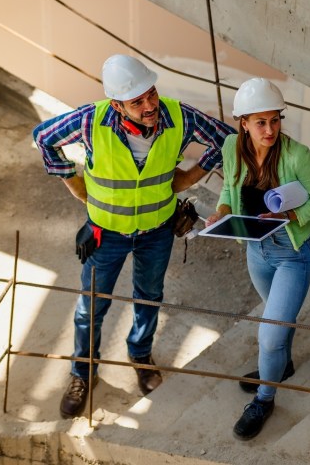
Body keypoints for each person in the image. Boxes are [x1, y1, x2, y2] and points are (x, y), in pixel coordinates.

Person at [33, 54, 234, 419]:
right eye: (137, 101)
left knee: (149, 297)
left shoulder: (179, 117)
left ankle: (140, 356)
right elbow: (43, 137)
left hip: (157, 231)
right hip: (105, 234)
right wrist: (73, 183)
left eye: (151, 94)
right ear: (117, 104)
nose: (149, 105)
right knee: (91, 306)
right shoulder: (90, 120)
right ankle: (83, 372)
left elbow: (228, 141)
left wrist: (189, 177)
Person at [205, 77, 310, 440]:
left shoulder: (297, 155)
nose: (270, 129)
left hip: (292, 255)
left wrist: (288, 216)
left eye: (275, 120)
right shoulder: (232, 147)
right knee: (279, 325)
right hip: (255, 252)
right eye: (260, 122)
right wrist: (222, 211)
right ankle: (283, 365)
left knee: (271, 334)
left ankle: (264, 399)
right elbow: (229, 188)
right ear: (243, 123)